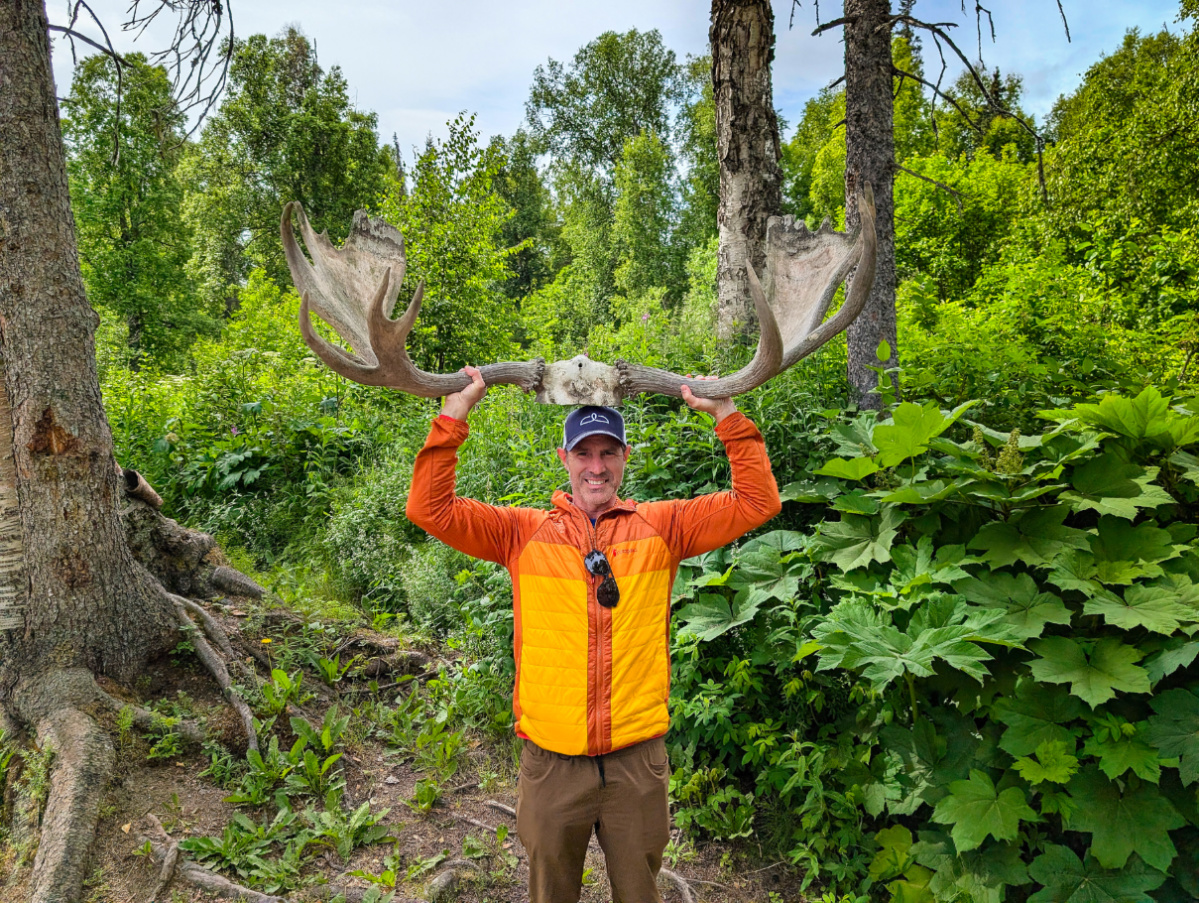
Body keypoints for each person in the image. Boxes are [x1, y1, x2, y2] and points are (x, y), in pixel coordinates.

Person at [405, 366, 781, 903]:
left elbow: (757, 502)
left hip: (636, 763)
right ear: (564, 459)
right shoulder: (522, 534)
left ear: (626, 459)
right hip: (552, 765)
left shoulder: (663, 527)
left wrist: (725, 413)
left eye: (609, 453)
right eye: (584, 453)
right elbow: (429, 508)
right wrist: (454, 414)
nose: (596, 467)